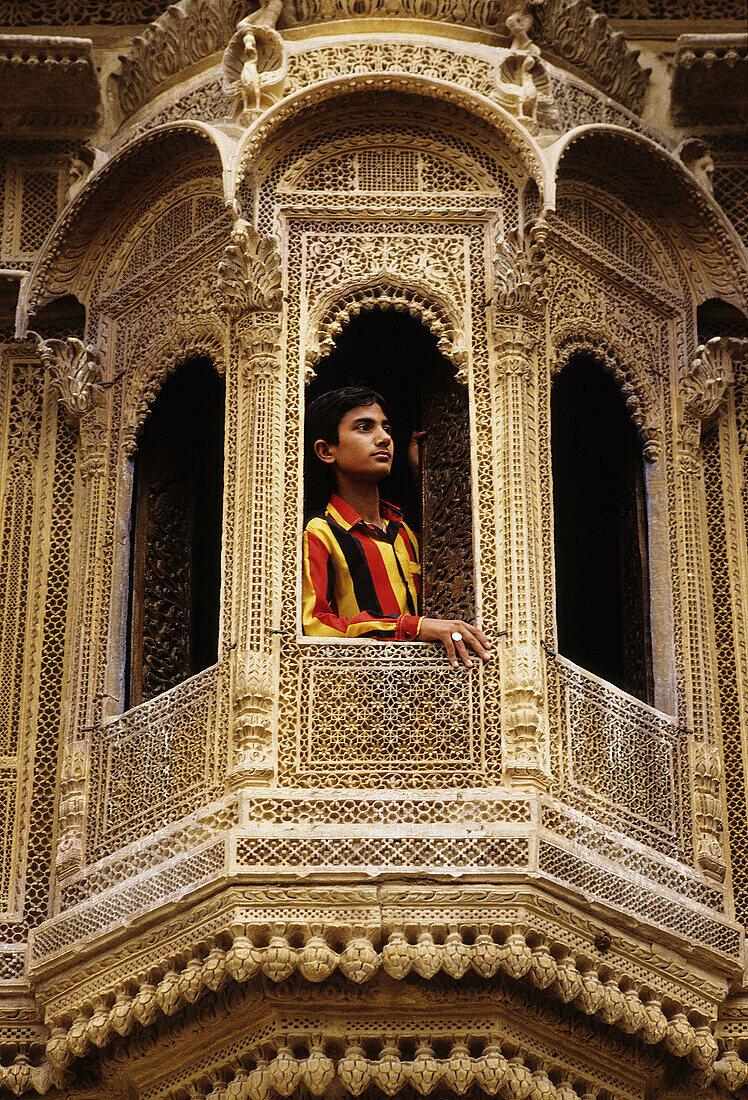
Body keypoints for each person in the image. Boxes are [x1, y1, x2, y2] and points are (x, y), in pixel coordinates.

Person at [302, 386, 492, 669]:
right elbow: (316, 625)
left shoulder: (406, 532)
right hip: (354, 694)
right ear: (326, 451)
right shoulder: (320, 533)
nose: (384, 438)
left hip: (433, 690)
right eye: (365, 428)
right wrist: (414, 626)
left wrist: (427, 474)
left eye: (386, 427)